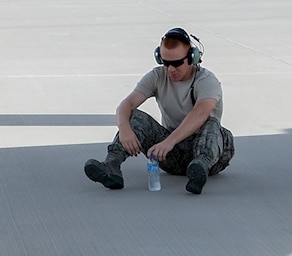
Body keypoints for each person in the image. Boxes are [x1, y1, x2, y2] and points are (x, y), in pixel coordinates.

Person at [84, 27, 233, 196]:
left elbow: (200, 114)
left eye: (177, 63)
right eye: (165, 62)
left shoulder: (207, 81)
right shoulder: (157, 76)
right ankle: (111, 166)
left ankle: (199, 171)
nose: (170, 69)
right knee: (136, 117)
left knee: (212, 123)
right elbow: (126, 104)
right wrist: (124, 128)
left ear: (193, 57)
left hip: (210, 155)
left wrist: (169, 141)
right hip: (172, 155)